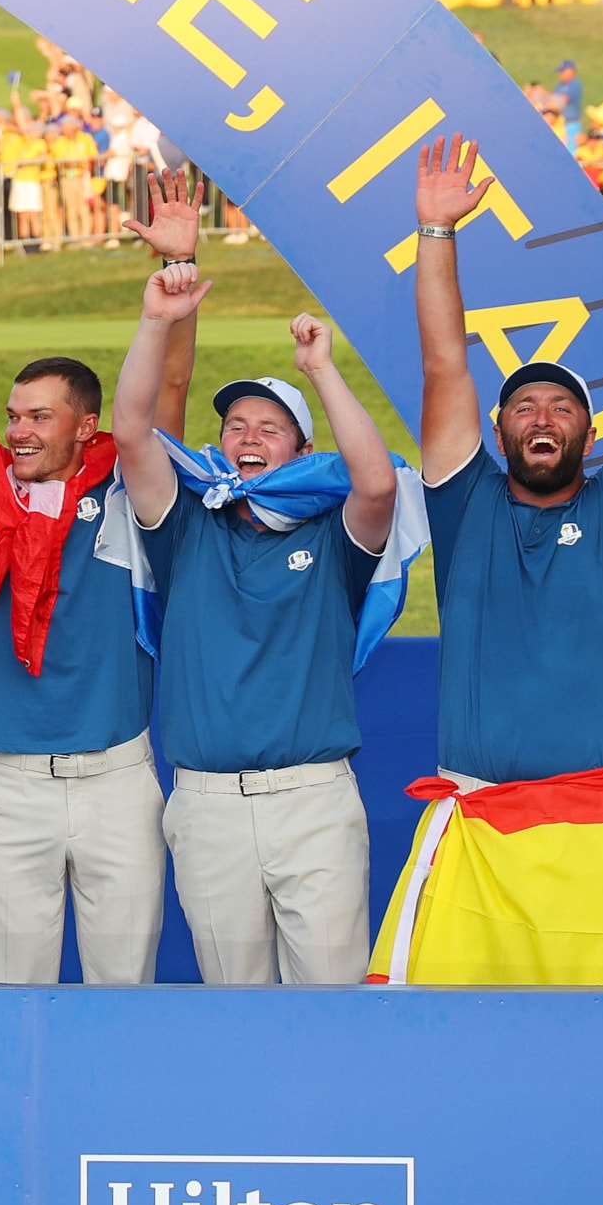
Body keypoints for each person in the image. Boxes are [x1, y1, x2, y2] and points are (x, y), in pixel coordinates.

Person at [373, 137, 603, 986]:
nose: (541, 414)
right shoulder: (465, 506)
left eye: (561, 406)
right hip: (476, 830)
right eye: (522, 403)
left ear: (587, 435)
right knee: (438, 1046)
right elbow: (442, 365)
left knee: (587, 1049)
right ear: (497, 434)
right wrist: (434, 234)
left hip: (592, 835)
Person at [0, 170, 199, 984]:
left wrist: (179, 271)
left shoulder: (132, 488)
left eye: (38, 416)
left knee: (120, 1001)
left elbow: (168, 389)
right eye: (13, 414)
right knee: (11, 1002)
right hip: (10, 786)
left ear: (86, 425)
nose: (17, 430)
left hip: (118, 786)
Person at [114, 279, 416, 987]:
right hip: (207, 804)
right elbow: (130, 431)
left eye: (268, 428)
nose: (247, 439)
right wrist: (155, 321)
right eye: (235, 427)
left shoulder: (332, 537)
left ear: (301, 449)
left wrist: (321, 369)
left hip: (312, 800)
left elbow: (375, 486)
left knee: (332, 1001)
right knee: (234, 1008)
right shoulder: (187, 525)